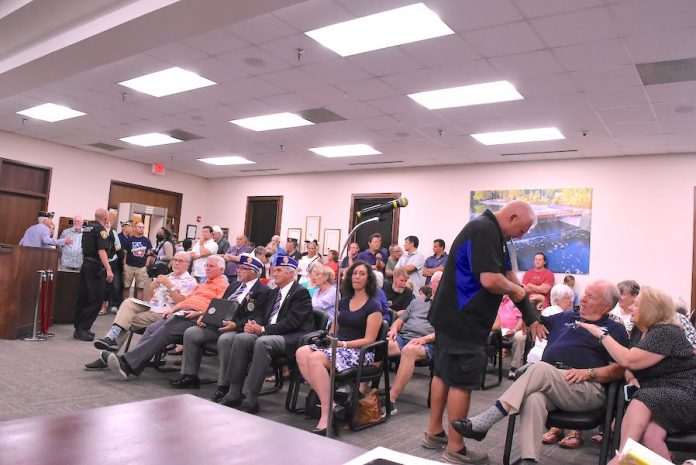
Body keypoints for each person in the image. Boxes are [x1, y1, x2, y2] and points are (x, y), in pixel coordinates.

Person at [451, 280, 629, 465]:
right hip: (552, 383)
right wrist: (530, 304)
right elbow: (533, 320)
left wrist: (589, 373)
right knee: (533, 398)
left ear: (606, 305)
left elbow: (619, 369)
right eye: (585, 293)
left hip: (587, 388)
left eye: (590, 296)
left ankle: (490, 417)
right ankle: (530, 460)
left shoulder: (614, 329)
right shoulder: (565, 317)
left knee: (539, 368)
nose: (582, 298)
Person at [426, 201, 543, 465]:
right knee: (460, 381)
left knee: (443, 374)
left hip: (450, 317)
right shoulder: (485, 230)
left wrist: (528, 312)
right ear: (512, 216)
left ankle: (434, 432)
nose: (521, 236)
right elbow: (491, 280)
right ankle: (456, 448)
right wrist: (517, 292)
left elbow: (508, 274)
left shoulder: (490, 231)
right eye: (522, 229)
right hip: (464, 320)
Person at [578, 286, 696, 465]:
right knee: (650, 436)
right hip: (661, 399)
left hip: (686, 394)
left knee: (642, 397)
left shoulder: (666, 331)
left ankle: (623, 457)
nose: (630, 308)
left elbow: (628, 359)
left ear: (650, 309)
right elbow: (631, 364)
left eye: (636, 305)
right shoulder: (638, 331)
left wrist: (601, 335)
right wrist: (631, 377)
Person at [105, 255, 229, 380]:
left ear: (222, 270)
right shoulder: (202, 284)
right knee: (152, 328)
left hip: (195, 315)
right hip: (181, 311)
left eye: (211, 266)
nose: (207, 268)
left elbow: (218, 307)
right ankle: (135, 364)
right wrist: (173, 309)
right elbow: (187, 301)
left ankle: (128, 363)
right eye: (206, 265)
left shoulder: (223, 286)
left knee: (167, 328)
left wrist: (201, 314)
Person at [295, 260, 382, 434]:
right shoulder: (344, 302)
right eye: (354, 273)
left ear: (369, 279)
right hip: (340, 347)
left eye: (362, 274)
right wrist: (328, 338)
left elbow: (369, 339)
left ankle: (326, 415)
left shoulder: (374, 306)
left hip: (359, 351)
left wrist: (343, 344)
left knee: (315, 358)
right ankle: (333, 404)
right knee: (302, 351)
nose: (357, 277)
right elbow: (335, 329)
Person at [217, 255, 313, 413]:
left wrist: (262, 329)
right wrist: (255, 324)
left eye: (279, 270)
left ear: (291, 274)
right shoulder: (274, 292)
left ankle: (252, 398)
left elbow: (292, 323)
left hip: (291, 336)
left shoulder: (300, 293)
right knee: (241, 338)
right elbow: (262, 313)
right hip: (269, 331)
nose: (274, 273)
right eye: (274, 270)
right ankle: (234, 392)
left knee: (263, 343)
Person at [173, 253, 271, 390]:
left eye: (242, 268)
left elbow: (258, 316)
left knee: (225, 340)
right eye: (239, 268)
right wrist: (206, 317)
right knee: (191, 332)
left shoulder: (263, 291)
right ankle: (190, 376)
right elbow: (219, 305)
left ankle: (224, 385)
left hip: (238, 329)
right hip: (219, 324)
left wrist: (236, 325)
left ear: (254, 272)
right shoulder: (235, 285)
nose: (238, 271)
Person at [84, 252, 197, 369]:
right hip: (152, 307)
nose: (176, 263)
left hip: (165, 313)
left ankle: (109, 350)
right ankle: (111, 343)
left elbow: (182, 303)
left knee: (125, 321)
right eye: (175, 259)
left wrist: (169, 286)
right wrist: (153, 286)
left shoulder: (190, 282)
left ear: (188, 265)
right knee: (128, 303)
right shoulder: (168, 276)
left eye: (180, 261)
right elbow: (151, 298)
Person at [387, 271, 442, 413]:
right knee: (382, 345)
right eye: (439, 282)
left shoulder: (448, 306)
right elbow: (399, 320)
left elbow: (444, 331)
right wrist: (393, 329)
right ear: (431, 285)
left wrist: (425, 338)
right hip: (403, 337)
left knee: (409, 350)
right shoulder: (417, 301)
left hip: (427, 343)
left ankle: (390, 400)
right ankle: (360, 390)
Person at [73, 208, 114, 341]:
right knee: (96, 298)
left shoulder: (87, 227)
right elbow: (102, 251)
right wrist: (109, 269)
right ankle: (83, 328)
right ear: (105, 218)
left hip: (86, 265)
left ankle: (79, 328)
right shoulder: (101, 230)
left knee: (84, 297)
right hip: (96, 267)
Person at [496, 295, 525, 380]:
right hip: (498, 331)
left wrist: (514, 330)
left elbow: (521, 320)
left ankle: (514, 369)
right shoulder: (494, 300)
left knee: (520, 337)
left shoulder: (515, 301)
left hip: (515, 330)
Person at [122, 222, 152, 300]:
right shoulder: (129, 240)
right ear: (135, 228)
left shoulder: (147, 241)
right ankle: (125, 304)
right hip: (129, 266)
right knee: (126, 286)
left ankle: (138, 305)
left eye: (143, 227)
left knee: (140, 287)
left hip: (141, 267)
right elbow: (125, 253)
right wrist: (124, 264)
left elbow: (149, 254)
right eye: (139, 227)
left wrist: (146, 265)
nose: (141, 229)